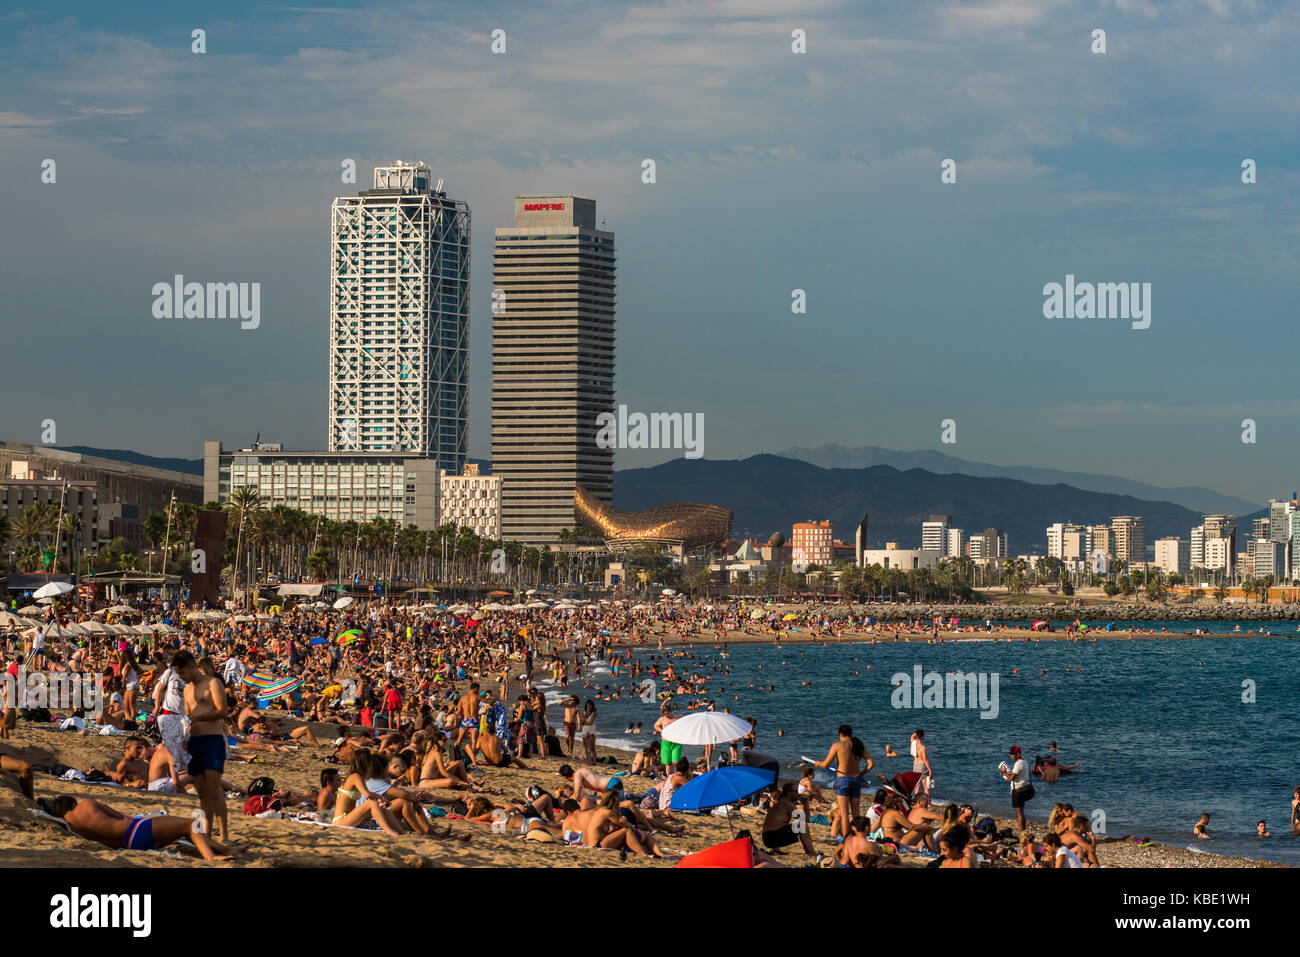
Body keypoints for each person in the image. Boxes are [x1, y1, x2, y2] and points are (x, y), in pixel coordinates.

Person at [46, 796, 234, 861]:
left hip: (130, 846)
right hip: (135, 830)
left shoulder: (71, 827)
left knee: (181, 832)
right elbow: (120, 816)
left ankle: (225, 849)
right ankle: (211, 857)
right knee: (190, 825)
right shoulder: (85, 804)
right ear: (72, 803)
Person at [173, 650, 231, 842]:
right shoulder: (187, 689)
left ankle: (224, 835)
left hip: (212, 739)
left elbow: (222, 711)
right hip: (195, 741)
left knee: (214, 789)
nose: (181, 677)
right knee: (202, 791)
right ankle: (207, 833)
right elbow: (188, 715)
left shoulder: (213, 683)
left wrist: (199, 716)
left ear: (191, 667)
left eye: (182, 673)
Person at [815, 724, 872, 840]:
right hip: (856, 780)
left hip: (843, 779)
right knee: (856, 813)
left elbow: (825, 764)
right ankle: (859, 838)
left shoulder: (837, 745)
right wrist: (861, 774)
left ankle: (846, 839)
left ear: (841, 735)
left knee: (844, 813)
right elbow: (871, 764)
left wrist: (818, 763)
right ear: (850, 734)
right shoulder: (858, 746)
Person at [761, 781, 817, 858]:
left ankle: (776, 848)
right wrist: (805, 803)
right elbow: (806, 819)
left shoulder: (783, 802)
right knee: (802, 824)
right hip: (771, 838)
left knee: (800, 823)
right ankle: (810, 851)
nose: (798, 794)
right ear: (789, 793)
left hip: (769, 837)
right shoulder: (786, 804)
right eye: (796, 791)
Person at [999, 745, 1034, 832]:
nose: (1011, 756)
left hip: (1018, 791)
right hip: (1026, 789)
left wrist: (1004, 772)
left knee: (1019, 814)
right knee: (1021, 812)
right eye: (1011, 754)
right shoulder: (1025, 761)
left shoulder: (1018, 764)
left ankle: (1022, 833)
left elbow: (1011, 778)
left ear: (1018, 753)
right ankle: (1024, 831)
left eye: (1013, 754)